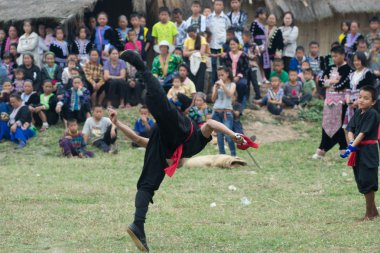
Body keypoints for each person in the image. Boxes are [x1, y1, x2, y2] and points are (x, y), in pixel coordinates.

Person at [117, 50, 245, 252]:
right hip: (180, 128)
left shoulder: (164, 152)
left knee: (147, 184)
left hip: (164, 137)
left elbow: (137, 138)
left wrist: (117, 123)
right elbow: (211, 122)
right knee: (163, 108)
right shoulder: (196, 141)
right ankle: (141, 66)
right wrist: (233, 135)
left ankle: (138, 225)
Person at [341, 86, 379, 221]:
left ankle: (369, 215)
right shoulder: (358, 112)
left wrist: (351, 147)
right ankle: (374, 212)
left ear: (373, 102)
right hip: (358, 150)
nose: (362, 100)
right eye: (360, 97)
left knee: (368, 180)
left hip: (368, 151)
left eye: (366, 98)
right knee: (361, 179)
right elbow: (350, 128)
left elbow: (363, 133)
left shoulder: (373, 114)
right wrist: (351, 144)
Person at [312, 46, 353, 159]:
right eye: (332, 56)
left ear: (343, 55)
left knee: (340, 126)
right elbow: (320, 82)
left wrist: (328, 82)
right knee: (326, 125)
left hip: (341, 103)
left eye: (336, 56)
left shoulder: (348, 70)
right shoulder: (329, 67)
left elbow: (342, 85)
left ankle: (326, 149)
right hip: (328, 102)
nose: (334, 58)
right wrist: (332, 81)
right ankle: (327, 148)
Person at [211, 66, 237, 156]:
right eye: (219, 75)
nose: (220, 77)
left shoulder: (232, 84)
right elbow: (213, 99)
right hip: (216, 112)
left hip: (227, 112)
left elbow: (229, 94)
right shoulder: (216, 85)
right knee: (219, 135)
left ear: (227, 74)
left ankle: (233, 155)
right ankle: (222, 155)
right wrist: (216, 89)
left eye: (222, 75)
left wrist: (223, 85)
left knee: (228, 134)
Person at [345, 52, 375, 128]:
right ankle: (350, 140)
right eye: (354, 60)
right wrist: (348, 102)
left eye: (358, 60)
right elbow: (348, 89)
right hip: (351, 104)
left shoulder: (368, 73)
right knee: (347, 128)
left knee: (360, 127)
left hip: (362, 103)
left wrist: (358, 101)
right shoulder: (352, 74)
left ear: (363, 60)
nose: (356, 62)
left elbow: (370, 89)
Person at [206, 0, 231, 84]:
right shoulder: (209, 17)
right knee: (213, 64)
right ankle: (214, 84)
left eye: (220, 5)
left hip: (221, 46)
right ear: (214, 6)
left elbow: (228, 28)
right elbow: (207, 30)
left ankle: (223, 83)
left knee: (222, 64)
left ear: (223, 6)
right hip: (212, 45)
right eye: (217, 4)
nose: (218, 6)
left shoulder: (226, 18)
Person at [223, 38, 249, 107]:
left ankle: (239, 102)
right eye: (231, 44)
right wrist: (230, 77)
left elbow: (245, 68)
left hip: (241, 77)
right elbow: (225, 68)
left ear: (238, 45)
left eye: (234, 44)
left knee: (242, 84)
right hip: (229, 77)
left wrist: (238, 76)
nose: (232, 46)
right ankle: (227, 102)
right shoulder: (226, 56)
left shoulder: (243, 55)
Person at [183, 25, 207, 92]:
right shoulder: (187, 40)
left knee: (200, 81)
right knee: (192, 80)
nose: (191, 36)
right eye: (189, 35)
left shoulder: (202, 39)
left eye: (192, 35)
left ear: (195, 32)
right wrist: (195, 51)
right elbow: (184, 53)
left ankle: (199, 96)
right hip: (191, 62)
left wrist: (190, 52)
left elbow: (202, 52)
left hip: (201, 61)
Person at [250, 7, 270, 81]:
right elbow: (251, 35)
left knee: (262, 62)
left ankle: (263, 77)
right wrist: (253, 45)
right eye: (264, 14)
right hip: (257, 44)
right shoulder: (254, 23)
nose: (265, 16)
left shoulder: (262, 24)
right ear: (259, 15)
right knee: (258, 61)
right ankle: (258, 78)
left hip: (263, 44)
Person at [242, 31, 261, 101]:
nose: (242, 39)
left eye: (243, 37)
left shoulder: (254, 45)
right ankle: (247, 97)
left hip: (253, 67)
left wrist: (247, 56)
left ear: (248, 37)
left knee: (254, 82)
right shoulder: (243, 46)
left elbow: (258, 55)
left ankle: (258, 96)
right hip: (246, 67)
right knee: (247, 82)